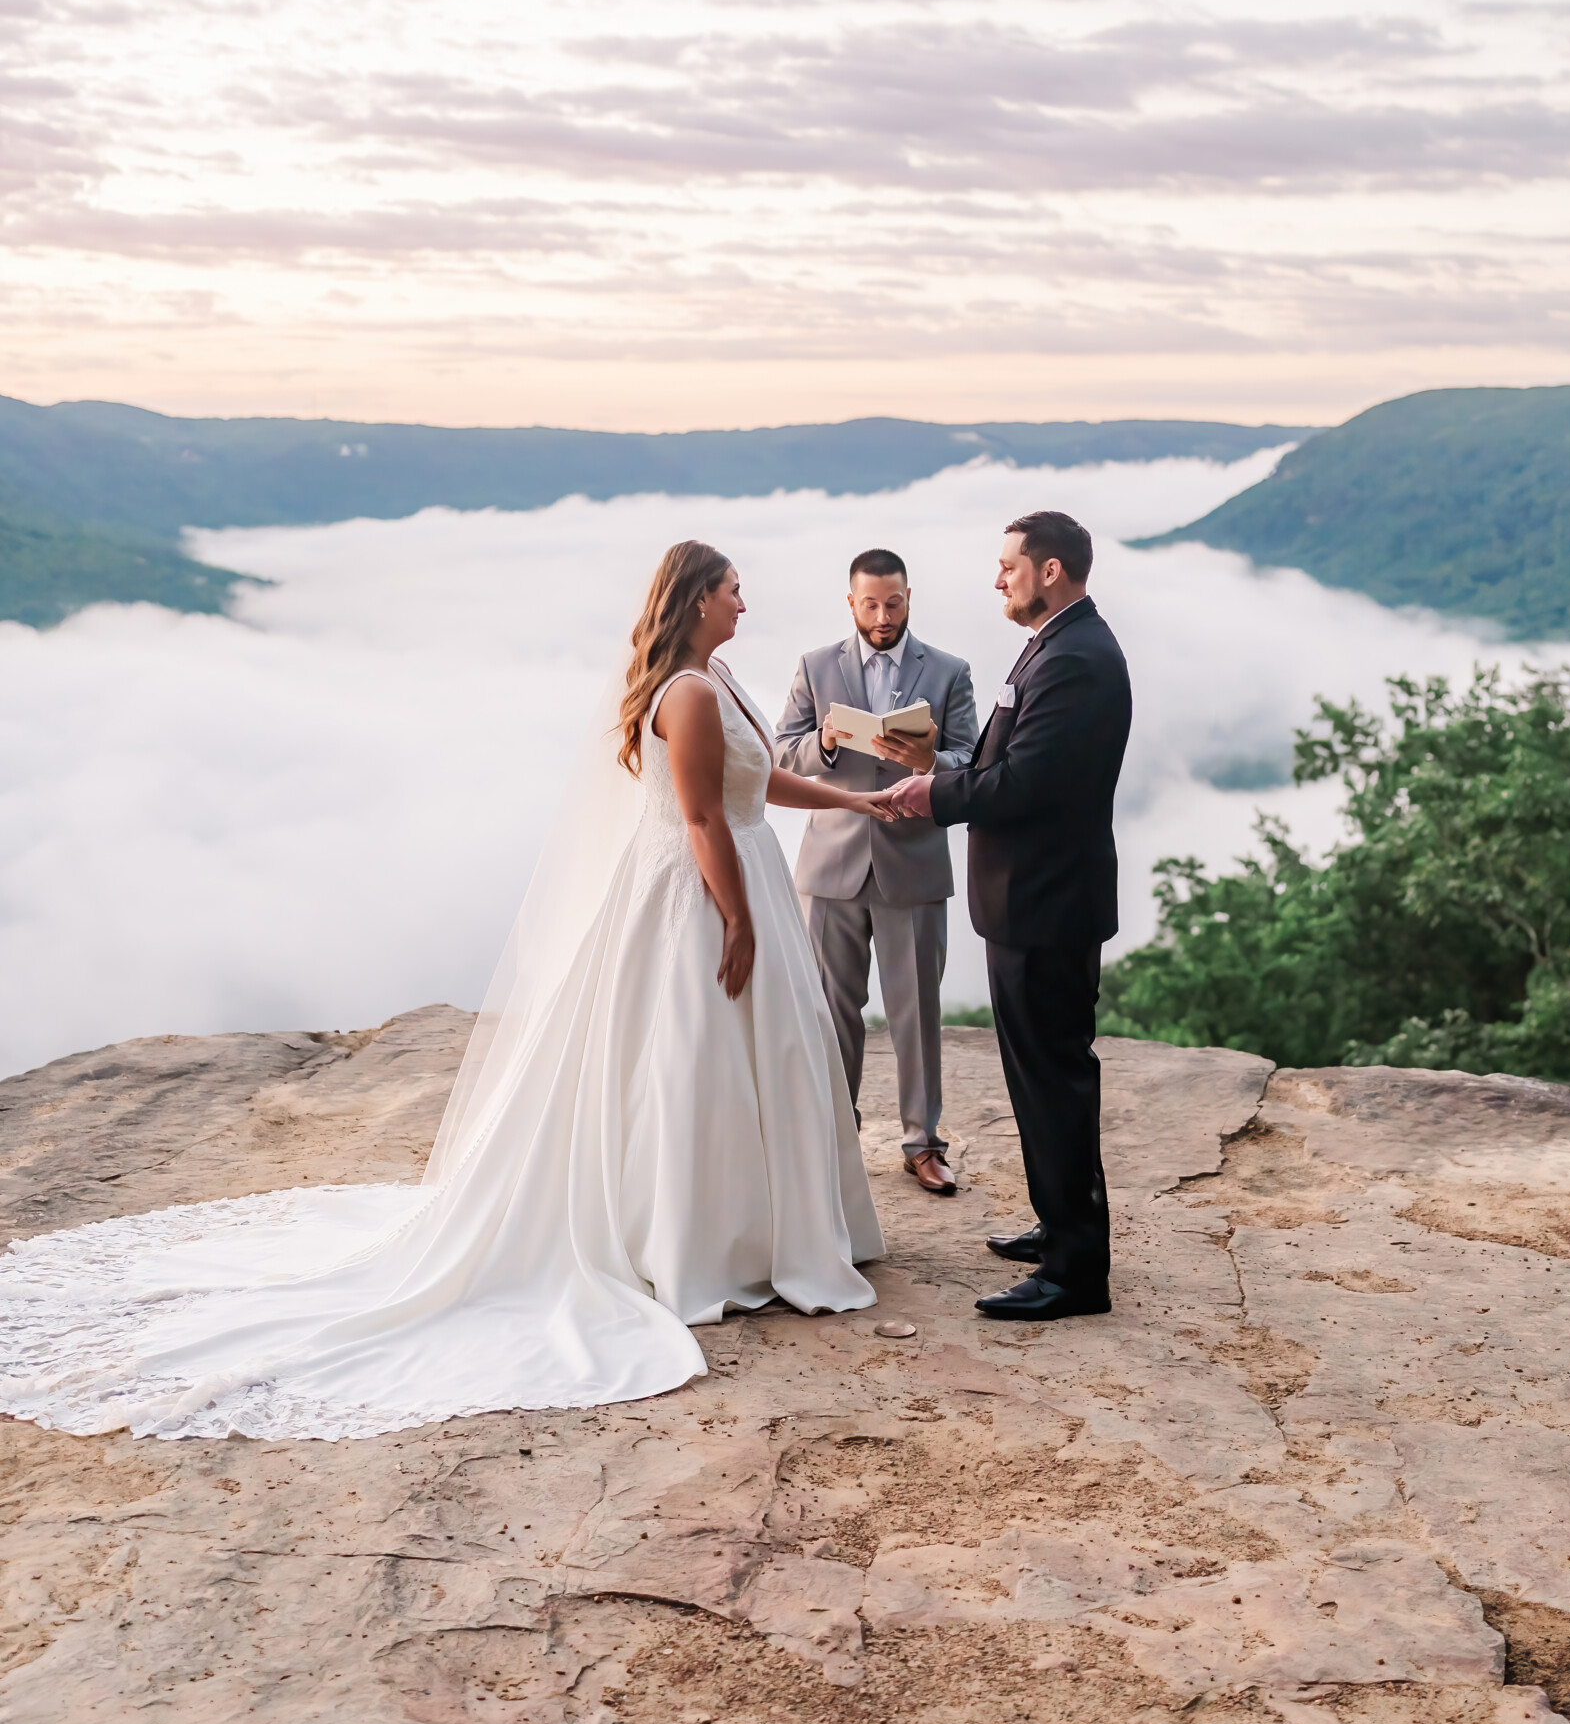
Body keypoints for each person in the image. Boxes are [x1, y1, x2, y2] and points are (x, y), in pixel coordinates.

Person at [0, 543, 888, 1439]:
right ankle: (699, 1243)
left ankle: (762, 1230)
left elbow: (751, 785)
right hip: (700, 892)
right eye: (734, 589)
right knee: (690, 1062)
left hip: (743, 874)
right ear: (697, 600)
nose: (746, 601)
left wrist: (854, 803)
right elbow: (700, 816)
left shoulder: (719, 676)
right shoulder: (689, 695)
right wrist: (733, 919)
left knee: (755, 1055)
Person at [874, 510, 1131, 1321]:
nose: (997, 579)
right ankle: (1060, 1228)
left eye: (1007, 566)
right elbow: (1008, 759)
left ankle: (1074, 1273)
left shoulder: (1079, 658)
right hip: (1028, 901)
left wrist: (931, 792)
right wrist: (937, 763)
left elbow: (1025, 785)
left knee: (1053, 1081)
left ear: (1049, 570)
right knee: (1037, 1079)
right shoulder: (1054, 644)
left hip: (1047, 904)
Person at [775, 549, 978, 1195]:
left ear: (909, 597)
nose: (882, 615)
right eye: (870, 604)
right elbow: (781, 753)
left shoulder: (948, 671)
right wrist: (827, 743)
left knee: (916, 1011)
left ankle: (923, 1143)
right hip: (831, 865)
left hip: (913, 863)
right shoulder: (814, 666)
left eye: (893, 603)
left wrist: (929, 758)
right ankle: (835, 1139)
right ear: (850, 602)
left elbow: (972, 763)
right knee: (831, 1011)